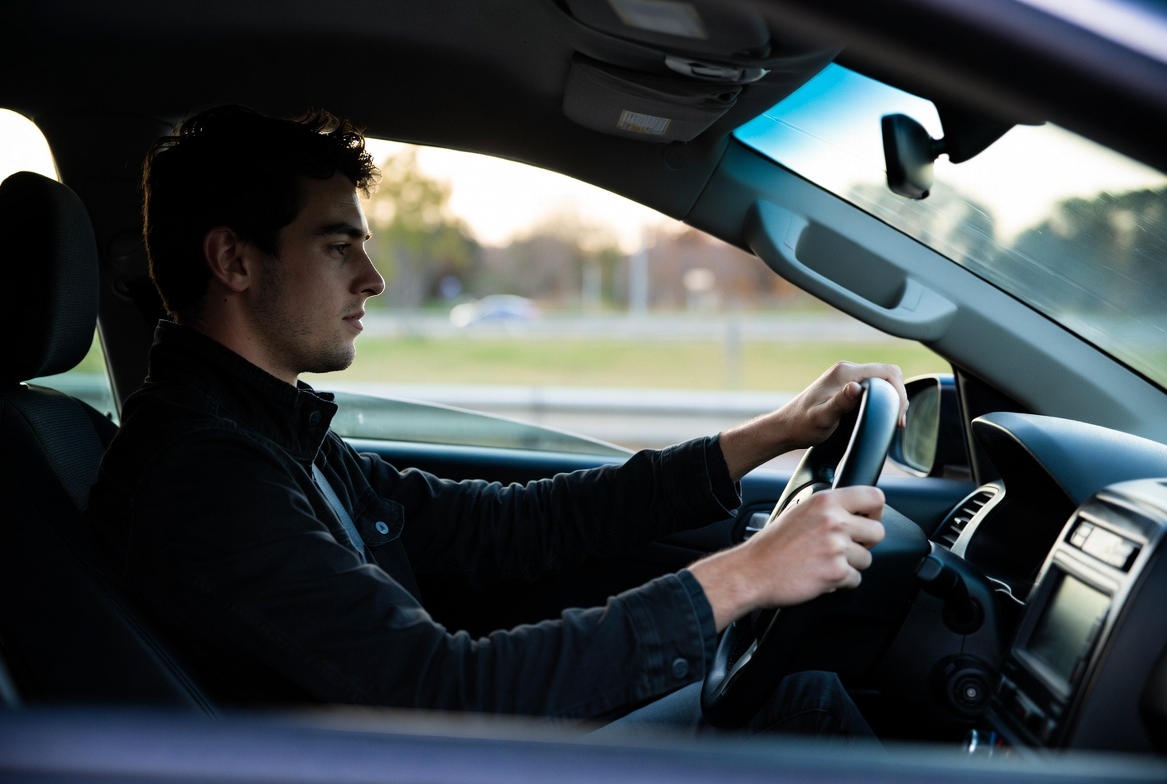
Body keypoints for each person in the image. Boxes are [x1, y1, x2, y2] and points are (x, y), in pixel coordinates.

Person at [86, 105, 906, 734]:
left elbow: (503, 528)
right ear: (233, 261)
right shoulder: (205, 476)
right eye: (338, 246)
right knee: (799, 705)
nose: (372, 277)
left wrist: (766, 435)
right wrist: (744, 577)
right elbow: (442, 691)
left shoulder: (269, 432)